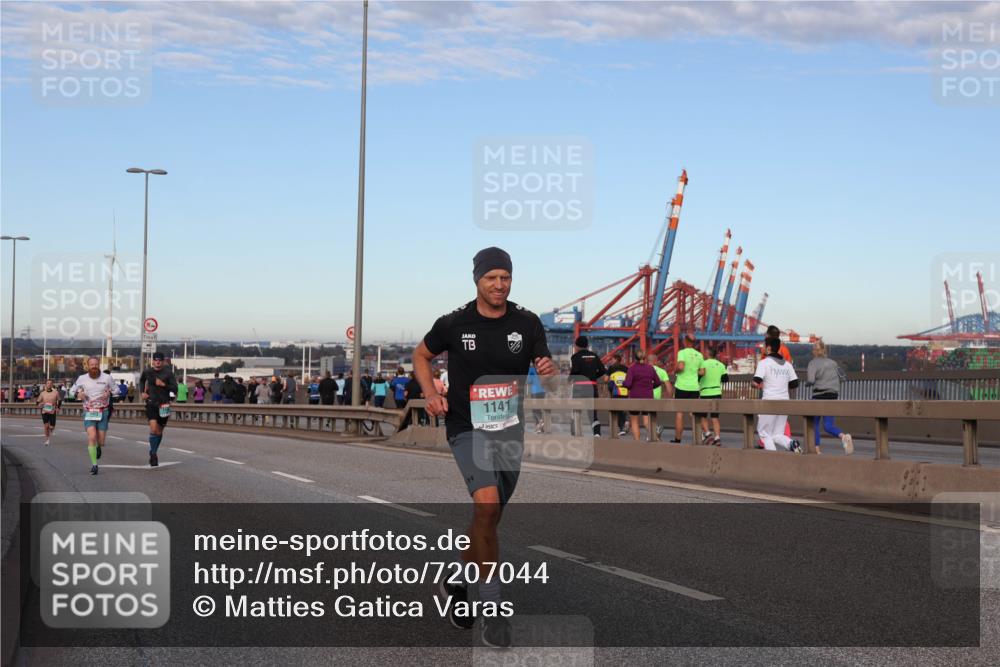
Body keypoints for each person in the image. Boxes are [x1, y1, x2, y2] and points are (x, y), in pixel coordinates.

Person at [413, 246, 555, 648]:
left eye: (505, 277)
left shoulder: (527, 323)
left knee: (487, 522)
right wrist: (430, 393)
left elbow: (547, 365)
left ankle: (455, 581)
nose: (499, 284)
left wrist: (549, 367)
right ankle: (492, 610)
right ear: (477, 279)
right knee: (487, 506)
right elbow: (421, 355)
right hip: (466, 427)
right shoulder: (455, 323)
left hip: (509, 431)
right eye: (491, 277)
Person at [69, 356, 118, 474]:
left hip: (103, 411)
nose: (94, 367)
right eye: (92, 365)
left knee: (100, 441)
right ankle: (94, 465)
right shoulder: (82, 378)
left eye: (96, 364)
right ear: (88, 366)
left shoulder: (107, 378)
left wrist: (110, 393)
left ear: (99, 365)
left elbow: (117, 390)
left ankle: (98, 447)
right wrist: (77, 395)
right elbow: (71, 392)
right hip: (89, 412)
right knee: (91, 437)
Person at [753, 338, 802, 453]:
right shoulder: (787, 364)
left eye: (764, 346)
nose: (763, 348)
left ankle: (774, 458)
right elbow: (795, 383)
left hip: (769, 402)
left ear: (769, 347)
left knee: (764, 433)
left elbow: (756, 382)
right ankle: (792, 444)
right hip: (784, 402)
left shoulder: (764, 363)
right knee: (777, 434)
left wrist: (754, 384)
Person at [806, 340, 854, 455]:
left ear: (819, 351)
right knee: (828, 425)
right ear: (824, 350)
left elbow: (811, 380)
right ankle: (843, 436)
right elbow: (843, 378)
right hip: (832, 395)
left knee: (814, 423)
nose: (814, 351)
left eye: (815, 349)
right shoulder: (833, 363)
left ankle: (816, 449)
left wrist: (807, 384)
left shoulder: (812, 363)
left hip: (819, 395)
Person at [139, 351, 178, 467]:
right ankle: (154, 454)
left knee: (159, 431)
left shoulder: (168, 373)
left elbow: (175, 389)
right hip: (151, 403)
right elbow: (141, 380)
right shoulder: (147, 371)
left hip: (164, 404)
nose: (157, 362)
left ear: (163, 361)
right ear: (152, 361)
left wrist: (163, 385)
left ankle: (153, 451)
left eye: (159, 360)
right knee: (154, 428)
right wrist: (142, 392)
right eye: (155, 360)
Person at [623, 349, 664, 441]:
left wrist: (624, 384)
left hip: (635, 398)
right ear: (644, 358)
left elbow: (628, 384)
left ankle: (637, 443)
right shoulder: (650, 368)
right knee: (646, 421)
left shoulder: (632, 369)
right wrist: (649, 387)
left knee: (634, 421)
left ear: (635, 358)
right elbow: (658, 382)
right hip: (648, 397)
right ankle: (655, 437)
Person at [568, 335, 607, 437]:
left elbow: (575, 371)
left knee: (576, 410)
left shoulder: (575, 357)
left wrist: (569, 379)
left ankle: (576, 432)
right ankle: (597, 433)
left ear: (576, 346)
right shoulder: (594, 356)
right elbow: (603, 370)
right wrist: (594, 376)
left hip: (579, 388)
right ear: (587, 345)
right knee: (593, 412)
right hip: (592, 386)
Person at [672, 334, 703, 443]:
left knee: (680, 413)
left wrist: (675, 370)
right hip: (694, 387)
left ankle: (677, 439)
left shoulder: (682, 353)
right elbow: (702, 372)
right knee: (692, 413)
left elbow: (680, 367)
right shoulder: (699, 355)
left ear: (685, 341)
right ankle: (699, 437)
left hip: (681, 386)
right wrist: (694, 373)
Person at [696, 346, 728, 446]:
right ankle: (717, 437)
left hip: (705, 393)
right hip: (717, 393)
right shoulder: (721, 365)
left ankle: (708, 434)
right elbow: (725, 379)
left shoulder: (703, 363)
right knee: (715, 418)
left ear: (707, 354)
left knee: (702, 416)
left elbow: (698, 376)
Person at [648, 352, 672, 437]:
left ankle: (654, 431)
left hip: (645, 395)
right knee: (653, 414)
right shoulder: (662, 371)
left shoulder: (645, 369)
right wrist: (669, 397)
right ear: (655, 361)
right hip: (656, 397)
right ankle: (655, 430)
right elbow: (668, 386)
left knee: (647, 415)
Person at [606, 353, 630, 436]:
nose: (611, 361)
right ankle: (626, 421)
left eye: (612, 359)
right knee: (623, 408)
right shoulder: (626, 368)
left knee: (616, 409)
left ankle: (621, 426)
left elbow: (606, 379)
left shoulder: (611, 368)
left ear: (616, 360)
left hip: (615, 392)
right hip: (625, 391)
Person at [36, 379, 61, 446]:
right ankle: (47, 439)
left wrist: (58, 408)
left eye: (50, 383)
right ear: (46, 385)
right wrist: (39, 404)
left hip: (52, 411)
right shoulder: (42, 393)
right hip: (44, 411)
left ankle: (50, 430)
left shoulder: (56, 392)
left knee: (52, 427)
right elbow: (37, 402)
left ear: (52, 384)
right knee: (46, 426)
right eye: (48, 383)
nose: (49, 384)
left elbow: (59, 400)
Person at [527, 365, 546, 434]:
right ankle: (540, 429)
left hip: (535, 391)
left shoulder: (531, 369)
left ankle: (540, 421)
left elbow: (529, 380)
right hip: (543, 391)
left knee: (534, 409)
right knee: (538, 409)